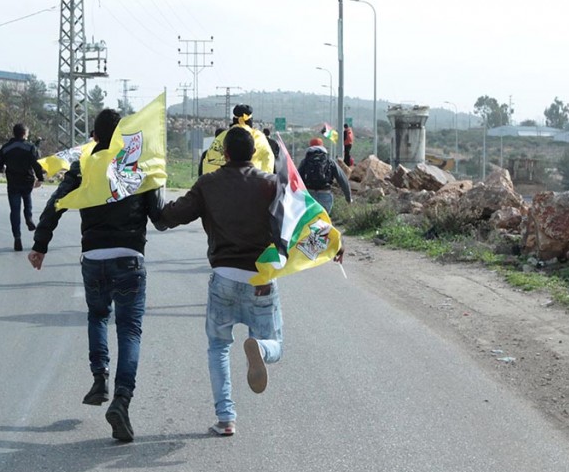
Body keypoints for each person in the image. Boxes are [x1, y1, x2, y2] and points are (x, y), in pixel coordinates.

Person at [28, 108, 163, 443]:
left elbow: (57, 203)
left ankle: (99, 376)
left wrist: (40, 245)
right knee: (130, 330)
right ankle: (121, 400)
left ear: (95, 136)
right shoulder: (139, 166)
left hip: (93, 257)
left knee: (98, 316)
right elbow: (160, 218)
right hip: (130, 256)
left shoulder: (85, 164)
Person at [154, 126, 284, 436]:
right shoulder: (271, 184)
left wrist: (155, 187)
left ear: (223, 154)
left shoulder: (208, 184)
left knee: (218, 347)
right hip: (261, 277)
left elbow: (168, 218)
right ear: (254, 153)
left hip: (224, 276)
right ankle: (261, 350)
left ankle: (226, 418)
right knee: (275, 342)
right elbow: (297, 223)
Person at [0, 123, 45, 251]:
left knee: (14, 210)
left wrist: (1, 168)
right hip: (27, 179)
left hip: (13, 182)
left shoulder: (6, 148)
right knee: (27, 198)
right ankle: (29, 217)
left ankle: (17, 237)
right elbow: (36, 165)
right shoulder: (30, 147)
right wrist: (40, 178)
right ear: (25, 134)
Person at [297, 137, 352, 214]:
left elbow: (297, 179)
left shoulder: (305, 161)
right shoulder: (329, 161)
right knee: (324, 223)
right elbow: (343, 180)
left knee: (311, 223)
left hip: (310, 196)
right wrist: (348, 198)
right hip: (325, 195)